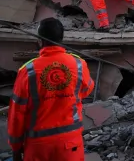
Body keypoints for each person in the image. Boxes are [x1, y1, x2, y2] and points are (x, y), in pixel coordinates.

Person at [8, 17, 94, 161]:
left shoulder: (28, 70)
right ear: (61, 38)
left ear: (40, 41)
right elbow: (86, 90)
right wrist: (63, 94)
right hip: (70, 144)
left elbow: (17, 114)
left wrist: (15, 147)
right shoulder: (78, 64)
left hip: (38, 147)